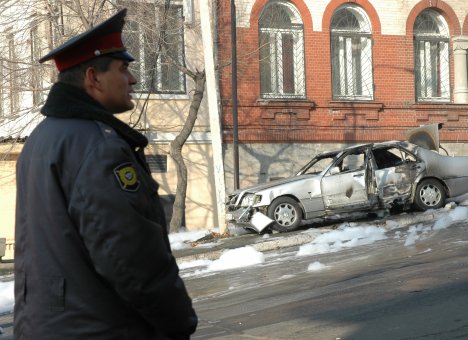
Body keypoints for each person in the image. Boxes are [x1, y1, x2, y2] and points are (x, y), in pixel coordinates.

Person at [14, 9, 197, 339]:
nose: (133, 79)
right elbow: (129, 256)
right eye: (124, 69)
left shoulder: (41, 139)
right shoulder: (98, 146)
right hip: (99, 329)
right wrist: (178, 322)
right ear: (93, 78)